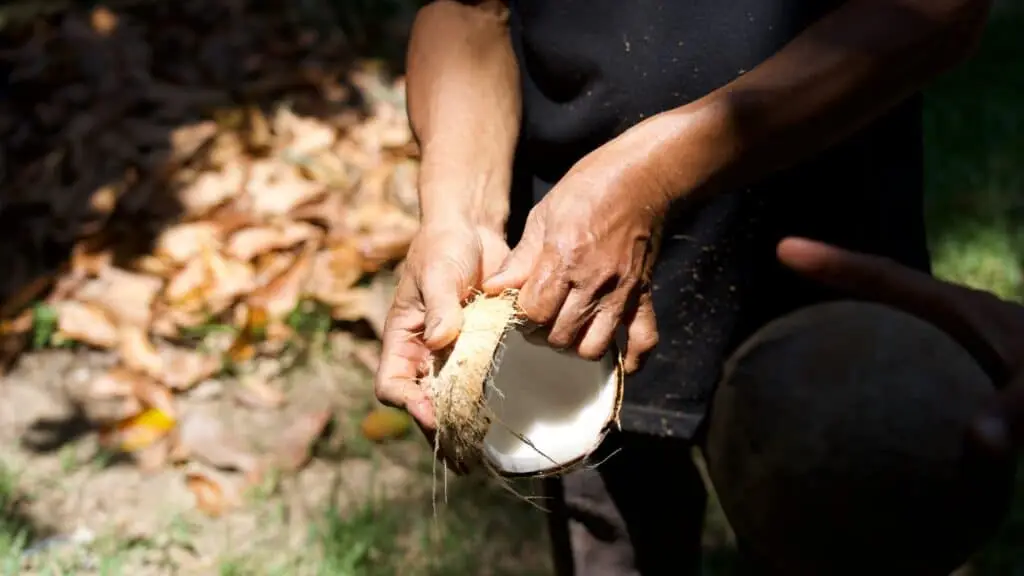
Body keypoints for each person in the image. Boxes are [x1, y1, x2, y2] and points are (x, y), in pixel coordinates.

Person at [373, 0, 995, 573]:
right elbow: (469, 11)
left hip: (819, 239)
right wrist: (460, 214)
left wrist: (651, 175)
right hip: (571, 285)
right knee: (613, 540)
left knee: (845, 529)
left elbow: (936, 12)